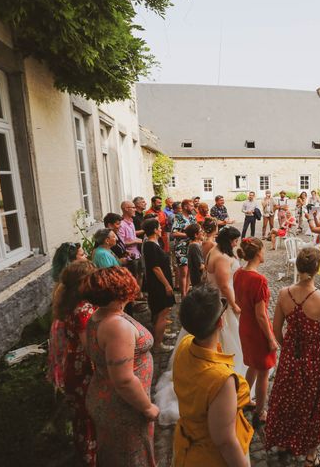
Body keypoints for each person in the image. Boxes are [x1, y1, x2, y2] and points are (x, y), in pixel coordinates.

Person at [265, 248, 320, 466]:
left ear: (298, 266)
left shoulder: (283, 293)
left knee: (286, 399)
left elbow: (276, 329)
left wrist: (287, 347)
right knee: (314, 404)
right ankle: (310, 455)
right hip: (315, 360)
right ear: (317, 269)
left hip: (290, 358)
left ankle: (284, 439)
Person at [82, 267, 158, 467]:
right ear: (121, 291)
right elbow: (123, 380)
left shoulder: (99, 315)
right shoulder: (116, 326)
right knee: (132, 458)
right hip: (124, 406)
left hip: (104, 394)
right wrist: (147, 407)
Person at [172, 286, 253, 466]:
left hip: (186, 444)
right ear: (220, 322)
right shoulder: (222, 380)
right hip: (210, 457)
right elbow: (224, 441)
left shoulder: (185, 344)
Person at [48, 260, 98, 466]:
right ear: (84, 282)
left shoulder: (67, 302)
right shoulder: (84, 309)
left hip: (72, 367)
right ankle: (92, 458)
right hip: (84, 369)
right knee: (90, 416)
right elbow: (90, 347)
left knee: (80, 417)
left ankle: (84, 454)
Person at [233, 238, 277, 428]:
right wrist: (271, 338)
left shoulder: (238, 273)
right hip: (258, 330)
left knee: (252, 366)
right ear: (258, 253)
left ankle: (242, 399)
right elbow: (261, 315)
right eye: (264, 250)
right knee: (263, 373)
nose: (264, 253)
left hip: (244, 325)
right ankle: (260, 412)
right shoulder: (259, 280)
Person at [206, 226, 246, 376]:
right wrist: (234, 304)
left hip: (215, 297)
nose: (236, 244)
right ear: (228, 241)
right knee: (227, 334)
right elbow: (223, 285)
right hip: (223, 301)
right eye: (235, 241)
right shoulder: (222, 258)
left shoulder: (214, 250)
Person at [142, 218, 176, 351]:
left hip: (159, 282)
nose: (161, 229)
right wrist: (167, 285)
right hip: (158, 284)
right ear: (155, 230)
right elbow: (156, 268)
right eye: (159, 227)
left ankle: (161, 334)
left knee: (160, 312)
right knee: (163, 312)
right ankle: (158, 344)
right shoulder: (150, 245)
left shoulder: (154, 243)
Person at [172, 199, 197, 298]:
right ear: (185, 206)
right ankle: (183, 296)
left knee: (190, 271)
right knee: (184, 272)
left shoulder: (192, 217)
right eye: (191, 205)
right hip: (181, 247)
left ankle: (187, 293)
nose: (193, 207)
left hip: (191, 247)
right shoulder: (178, 217)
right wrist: (188, 234)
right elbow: (174, 233)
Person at [185, 223, 205, 288]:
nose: (203, 232)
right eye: (201, 231)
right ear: (196, 235)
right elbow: (201, 266)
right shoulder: (194, 246)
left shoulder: (196, 244)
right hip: (199, 280)